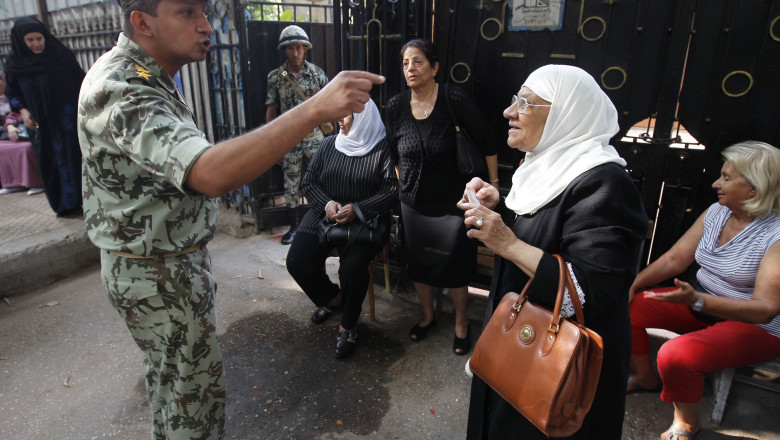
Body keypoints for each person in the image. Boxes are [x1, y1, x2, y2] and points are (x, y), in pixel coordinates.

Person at [77, 0, 383, 438]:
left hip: (171, 263)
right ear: (142, 22)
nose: (206, 26)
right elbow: (210, 172)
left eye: (203, 11)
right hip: (156, 273)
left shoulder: (152, 76)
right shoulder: (124, 85)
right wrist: (315, 109)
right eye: (187, 13)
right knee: (192, 405)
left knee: (178, 391)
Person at [459, 64, 648, 439]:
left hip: (558, 368)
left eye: (526, 103)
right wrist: (504, 207)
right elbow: (549, 229)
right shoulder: (547, 163)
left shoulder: (606, 183)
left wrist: (508, 243)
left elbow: (590, 296)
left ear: (565, 114)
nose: (509, 112)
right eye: (515, 100)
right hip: (521, 344)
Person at [627, 141, 780, 440]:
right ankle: (645, 377)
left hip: (754, 325)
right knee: (629, 305)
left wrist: (698, 300)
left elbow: (765, 309)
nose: (715, 183)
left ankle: (686, 422)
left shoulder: (775, 234)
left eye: (726, 178)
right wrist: (634, 283)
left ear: (754, 189)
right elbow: (674, 258)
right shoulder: (716, 213)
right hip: (701, 304)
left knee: (676, 354)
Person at [384, 39, 498, 356]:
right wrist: (404, 186)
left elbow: (487, 142)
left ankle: (462, 322)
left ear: (435, 67)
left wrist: (493, 186)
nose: (410, 69)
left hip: (453, 202)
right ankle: (428, 315)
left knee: (456, 267)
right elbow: (393, 153)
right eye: (406, 63)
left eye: (418, 62)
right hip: (413, 204)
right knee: (420, 264)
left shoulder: (453, 98)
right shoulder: (394, 107)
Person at [286, 99, 398, 358]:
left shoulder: (382, 148)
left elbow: (392, 190)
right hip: (324, 214)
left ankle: (348, 324)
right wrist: (327, 204)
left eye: (346, 115)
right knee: (297, 261)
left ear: (364, 117)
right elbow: (309, 182)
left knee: (352, 268)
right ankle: (334, 298)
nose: (339, 120)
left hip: (363, 221)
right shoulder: (328, 144)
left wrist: (357, 209)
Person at [4, 17, 84, 214]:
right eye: (30, 40)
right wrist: (23, 110)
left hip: (66, 121)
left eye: (39, 38)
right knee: (48, 161)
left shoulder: (61, 56)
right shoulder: (15, 64)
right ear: (21, 41)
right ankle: (62, 206)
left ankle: (81, 202)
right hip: (38, 123)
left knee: (73, 159)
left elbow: (81, 84)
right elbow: (12, 93)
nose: (36, 44)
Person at [265, 25, 333, 245]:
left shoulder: (317, 74)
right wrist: (273, 144)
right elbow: (271, 111)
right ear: (284, 50)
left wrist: (333, 140)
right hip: (289, 139)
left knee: (323, 180)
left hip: (315, 138)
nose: (295, 53)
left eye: (299, 48)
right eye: (291, 48)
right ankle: (294, 227)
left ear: (305, 49)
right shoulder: (276, 77)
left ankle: (325, 222)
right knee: (291, 183)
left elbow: (329, 106)